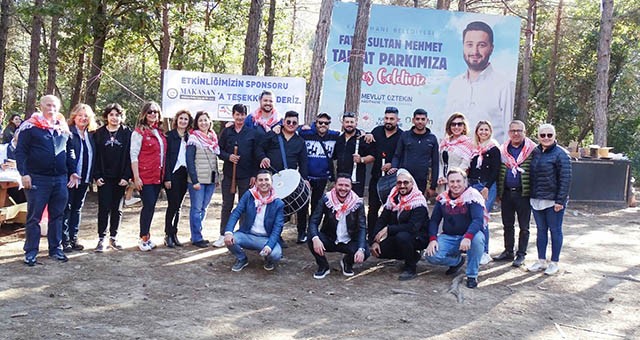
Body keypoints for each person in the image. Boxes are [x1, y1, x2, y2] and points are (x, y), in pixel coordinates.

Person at [16, 95, 78, 265]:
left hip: (60, 179)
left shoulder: (63, 128)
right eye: (48, 105)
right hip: (37, 179)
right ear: (41, 106)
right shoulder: (30, 127)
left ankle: (55, 249)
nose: (52, 109)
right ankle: (31, 252)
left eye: (55, 106)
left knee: (57, 215)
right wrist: (24, 173)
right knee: (34, 217)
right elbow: (20, 152)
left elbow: (69, 151)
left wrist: (73, 171)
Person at [445, 21, 515, 142]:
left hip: (489, 157)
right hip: (457, 156)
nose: (475, 51)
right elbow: (446, 127)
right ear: (463, 46)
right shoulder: (455, 84)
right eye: (469, 44)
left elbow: (508, 129)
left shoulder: (504, 85)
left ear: (491, 48)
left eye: (481, 45)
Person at [425, 168, 487, 289]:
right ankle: (457, 262)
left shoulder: (473, 196)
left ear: (465, 182)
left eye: (458, 181)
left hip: (469, 235)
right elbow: (434, 220)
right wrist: (432, 239)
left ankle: (472, 275)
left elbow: (478, 220)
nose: (455, 185)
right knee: (430, 255)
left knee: (478, 239)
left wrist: (468, 237)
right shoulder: (442, 198)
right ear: (447, 183)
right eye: (452, 182)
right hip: (449, 236)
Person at [527, 124, 571, 275]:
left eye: (549, 135)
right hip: (536, 199)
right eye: (543, 135)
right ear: (538, 136)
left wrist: (560, 201)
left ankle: (554, 262)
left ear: (554, 136)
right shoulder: (535, 152)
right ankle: (541, 260)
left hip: (553, 201)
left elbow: (565, 179)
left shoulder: (561, 154)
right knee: (541, 230)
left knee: (555, 230)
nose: (546, 138)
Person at [370, 169, 429, 281]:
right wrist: (375, 241)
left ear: (412, 184)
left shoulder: (419, 201)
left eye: (406, 182)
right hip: (398, 235)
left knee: (402, 236)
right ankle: (412, 255)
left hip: (418, 236)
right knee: (379, 251)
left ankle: (410, 267)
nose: (402, 185)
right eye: (399, 183)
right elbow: (382, 219)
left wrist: (389, 229)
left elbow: (413, 227)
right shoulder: (392, 197)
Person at [258, 110, 308, 242]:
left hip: (291, 180)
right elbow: (259, 147)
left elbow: (303, 162)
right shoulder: (273, 135)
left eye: (294, 122)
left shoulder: (300, 141)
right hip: (273, 178)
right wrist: (263, 157)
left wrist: (305, 179)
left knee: (302, 203)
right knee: (274, 207)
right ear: (283, 121)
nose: (291, 124)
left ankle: (302, 233)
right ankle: (276, 235)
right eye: (288, 122)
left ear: (298, 124)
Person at [308, 173, 368, 279]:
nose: (343, 188)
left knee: (365, 251)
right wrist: (316, 238)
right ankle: (323, 266)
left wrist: (361, 249)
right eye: (340, 185)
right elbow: (313, 221)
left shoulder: (358, 203)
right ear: (335, 185)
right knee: (311, 237)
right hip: (330, 239)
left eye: (346, 185)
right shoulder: (326, 199)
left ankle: (347, 262)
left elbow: (362, 227)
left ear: (351, 187)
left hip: (348, 241)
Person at [493, 120, 536, 267]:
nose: (516, 133)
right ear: (509, 133)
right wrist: (498, 192)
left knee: (524, 226)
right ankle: (508, 251)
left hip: (523, 194)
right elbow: (498, 172)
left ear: (525, 132)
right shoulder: (502, 150)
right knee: (507, 224)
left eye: (519, 131)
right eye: (513, 131)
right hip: (506, 194)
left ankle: (521, 254)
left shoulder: (532, 150)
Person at [224, 170, 285, 271]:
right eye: (260, 180)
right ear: (256, 183)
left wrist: (269, 246)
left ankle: (268, 260)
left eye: (266, 179)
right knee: (229, 239)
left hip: (266, 238)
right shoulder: (249, 195)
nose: (263, 183)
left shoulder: (278, 203)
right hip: (247, 235)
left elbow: (277, 228)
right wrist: (228, 232)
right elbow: (236, 212)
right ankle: (242, 258)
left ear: (271, 182)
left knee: (276, 254)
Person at [217, 104, 260, 248]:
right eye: (237, 114)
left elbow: (256, 155)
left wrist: (254, 174)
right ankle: (223, 234)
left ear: (246, 116)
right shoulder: (227, 132)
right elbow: (219, 150)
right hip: (230, 175)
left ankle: (242, 235)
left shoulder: (252, 133)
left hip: (246, 176)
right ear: (233, 115)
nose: (240, 118)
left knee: (244, 206)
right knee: (227, 205)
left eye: (242, 115)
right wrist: (228, 157)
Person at [93, 103, 131, 252]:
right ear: (106, 116)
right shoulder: (98, 134)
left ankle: (113, 237)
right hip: (104, 177)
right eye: (111, 115)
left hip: (120, 178)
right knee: (104, 208)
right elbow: (94, 156)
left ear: (121, 117)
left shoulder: (127, 133)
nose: (114, 118)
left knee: (117, 209)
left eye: (117, 115)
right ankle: (101, 238)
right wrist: (96, 176)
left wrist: (126, 176)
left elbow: (130, 156)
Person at [130, 101, 167, 251]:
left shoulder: (160, 132)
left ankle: (147, 236)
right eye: (150, 112)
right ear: (145, 114)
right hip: (145, 175)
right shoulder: (138, 132)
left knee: (152, 207)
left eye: (155, 112)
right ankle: (143, 237)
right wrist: (136, 177)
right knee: (148, 205)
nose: (153, 114)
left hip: (158, 175)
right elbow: (133, 155)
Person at [298, 112, 339, 243]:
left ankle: (312, 232)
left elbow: (350, 133)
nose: (323, 125)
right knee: (302, 206)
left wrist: (362, 132)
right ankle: (301, 232)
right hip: (306, 178)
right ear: (315, 123)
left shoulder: (334, 136)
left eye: (326, 123)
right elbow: (292, 128)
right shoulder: (306, 134)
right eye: (320, 122)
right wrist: (301, 127)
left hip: (322, 178)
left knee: (316, 207)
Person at [62, 104, 97, 253]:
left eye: (86, 116)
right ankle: (64, 241)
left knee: (77, 208)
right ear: (74, 117)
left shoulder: (90, 135)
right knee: (67, 208)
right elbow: (68, 154)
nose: (83, 118)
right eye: (80, 115)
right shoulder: (68, 133)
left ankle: (73, 237)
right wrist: (71, 172)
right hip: (71, 178)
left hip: (84, 178)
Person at [363, 106, 403, 238]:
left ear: (397, 120)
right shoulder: (376, 131)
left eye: (392, 119)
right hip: (376, 178)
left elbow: (403, 156)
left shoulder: (402, 135)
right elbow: (369, 148)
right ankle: (371, 235)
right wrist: (368, 134)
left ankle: (388, 236)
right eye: (386, 118)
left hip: (393, 181)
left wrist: (393, 164)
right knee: (373, 208)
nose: (388, 121)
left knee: (391, 209)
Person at [186, 111, 220, 248]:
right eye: (200, 121)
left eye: (205, 120)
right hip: (198, 181)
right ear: (197, 123)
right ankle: (196, 237)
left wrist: (217, 177)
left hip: (210, 180)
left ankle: (198, 233)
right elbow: (190, 161)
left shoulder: (213, 138)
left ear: (210, 121)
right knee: (196, 208)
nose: (203, 123)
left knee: (204, 208)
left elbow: (214, 160)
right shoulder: (193, 138)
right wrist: (194, 180)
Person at [468, 120, 500, 265]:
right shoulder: (474, 148)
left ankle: (485, 251)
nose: (483, 132)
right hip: (473, 184)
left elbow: (495, 170)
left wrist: (487, 187)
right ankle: (474, 249)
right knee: (474, 217)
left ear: (490, 131)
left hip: (487, 185)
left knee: (483, 217)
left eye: (486, 130)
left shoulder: (493, 149)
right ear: (477, 132)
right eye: (481, 130)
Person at [390, 109, 439, 196]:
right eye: (417, 119)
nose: (420, 122)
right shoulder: (405, 135)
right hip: (404, 180)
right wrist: (394, 168)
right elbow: (397, 155)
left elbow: (435, 163)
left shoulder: (432, 139)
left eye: (423, 119)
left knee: (417, 206)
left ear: (427, 121)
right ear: (413, 120)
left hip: (422, 181)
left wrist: (433, 186)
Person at [163, 110, 193, 248]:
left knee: (179, 206)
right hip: (172, 174)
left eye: (186, 119)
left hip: (184, 174)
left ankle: (175, 233)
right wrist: (167, 178)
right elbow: (166, 159)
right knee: (172, 205)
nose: (183, 121)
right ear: (176, 120)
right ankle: (168, 234)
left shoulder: (190, 137)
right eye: (181, 118)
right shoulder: (169, 136)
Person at [333, 111, 373, 197]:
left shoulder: (363, 138)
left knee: (355, 204)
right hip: (341, 178)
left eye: (352, 122)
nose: (349, 124)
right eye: (347, 122)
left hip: (357, 179)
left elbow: (372, 157)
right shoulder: (339, 139)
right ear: (343, 123)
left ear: (356, 123)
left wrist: (361, 159)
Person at [437, 112, 474, 193]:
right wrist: (440, 176)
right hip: (442, 183)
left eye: (459, 124)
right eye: (453, 124)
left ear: (464, 127)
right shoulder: (444, 142)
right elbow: (440, 162)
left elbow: (465, 164)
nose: (456, 127)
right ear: (449, 127)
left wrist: (451, 178)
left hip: (457, 183)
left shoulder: (468, 143)